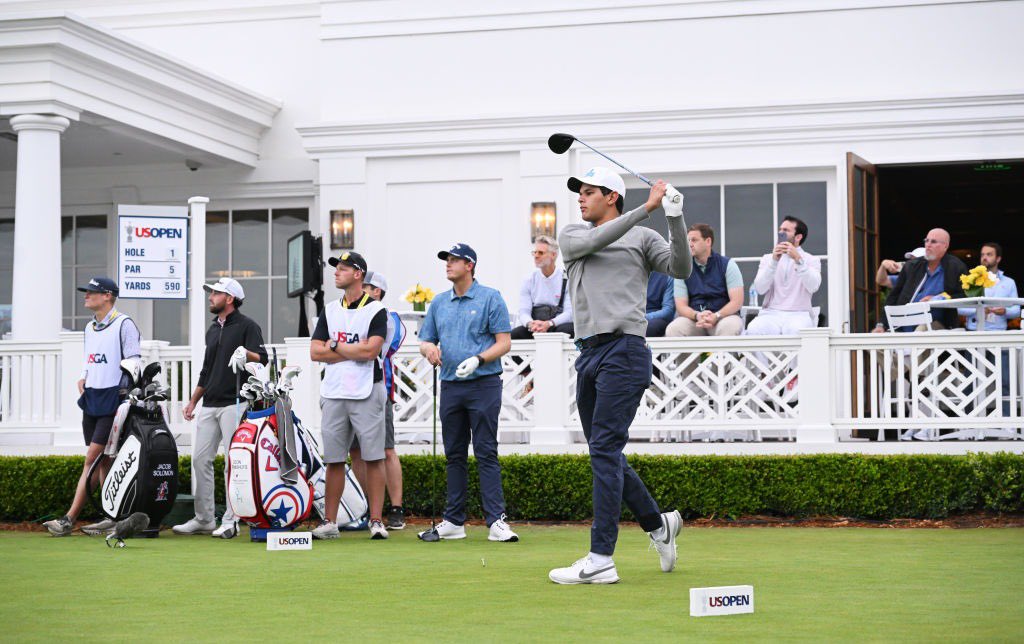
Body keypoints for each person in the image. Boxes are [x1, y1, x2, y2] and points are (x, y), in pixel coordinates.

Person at [547, 166, 690, 585]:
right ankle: (658, 525)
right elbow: (598, 239)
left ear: (611, 196)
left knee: (605, 450)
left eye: (589, 192)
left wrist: (674, 217)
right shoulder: (573, 234)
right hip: (588, 353)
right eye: (580, 193)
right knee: (604, 453)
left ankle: (601, 558)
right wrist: (647, 207)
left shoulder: (644, 237)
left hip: (626, 350)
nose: (580, 198)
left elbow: (681, 269)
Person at [417, 243, 518, 543]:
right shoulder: (438, 303)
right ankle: (453, 521)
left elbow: (504, 342)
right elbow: (425, 340)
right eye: (446, 260)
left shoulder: (490, 297)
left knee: (486, 450)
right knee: (454, 454)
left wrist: (479, 358)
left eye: (454, 260)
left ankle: (496, 521)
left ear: (469, 265)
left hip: (483, 384)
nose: (448, 264)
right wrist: (429, 350)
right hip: (450, 385)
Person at [43, 277, 141, 537]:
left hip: (112, 401)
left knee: (92, 459)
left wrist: (123, 395)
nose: (86, 296)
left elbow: (133, 363)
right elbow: (90, 358)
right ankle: (112, 516)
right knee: (103, 462)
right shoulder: (89, 327)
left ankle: (68, 519)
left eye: (92, 292)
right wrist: (84, 375)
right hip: (92, 399)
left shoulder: (124, 324)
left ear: (107, 296)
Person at [173, 277, 267, 539]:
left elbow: (263, 358)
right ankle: (204, 518)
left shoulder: (248, 326)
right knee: (200, 459)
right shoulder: (213, 329)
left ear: (230, 299)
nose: (211, 297)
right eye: (211, 293)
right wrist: (193, 400)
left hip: (235, 402)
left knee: (233, 463)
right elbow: (207, 369)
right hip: (210, 403)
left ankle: (231, 519)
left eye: (216, 293)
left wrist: (245, 354)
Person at [309, 252, 390, 540]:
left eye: (343, 268)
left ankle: (377, 520)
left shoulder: (376, 310)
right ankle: (330, 522)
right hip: (334, 391)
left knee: (373, 457)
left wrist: (335, 346)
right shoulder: (330, 309)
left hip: (367, 389)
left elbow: (371, 352)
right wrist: (347, 350)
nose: (336, 273)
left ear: (358, 274)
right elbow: (314, 351)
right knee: (333, 459)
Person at [348, 270, 407, 530]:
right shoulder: (348, 314)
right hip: (348, 390)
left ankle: (396, 508)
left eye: (368, 287)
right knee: (356, 452)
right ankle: (366, 508)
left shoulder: (389, 317)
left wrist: (352, 347)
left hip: (377, 388)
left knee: (385, 449)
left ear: (377, 292)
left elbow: (378, 350)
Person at [957, 243, 1019, 418]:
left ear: (998, 258)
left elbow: (1017, 309)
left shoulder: (1008, 283)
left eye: (989, 254)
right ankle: (969, 422)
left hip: (999, 335)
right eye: (983, 254)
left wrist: (1004, 311)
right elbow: (960, 309)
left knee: (1005, 381)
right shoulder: (971, 280)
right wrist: (978, 309)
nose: (985, 257)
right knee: (970, 380)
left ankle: (1008, 424)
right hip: (975, 334)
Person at [873, 228, 967, 332]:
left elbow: (963, 296)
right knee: (875, 343)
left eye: (933, 241)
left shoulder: (956, 267)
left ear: (946, 246)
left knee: (921, 331)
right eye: (926, 241)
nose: (928, 244)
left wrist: (937, 298)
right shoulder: (912, 266)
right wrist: (881, 325)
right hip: (902, 325)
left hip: (936, 326)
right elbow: (893, 296)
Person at [745, 216, 822, 336]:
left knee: (796, 330)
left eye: (786, 230)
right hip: (770, 313)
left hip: (799, 313)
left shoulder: (811, 260)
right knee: (754, 329)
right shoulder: (767, 258)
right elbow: (760, 289)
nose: (780, 232)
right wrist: (774, 261)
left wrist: (798, 260)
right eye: (780, 229)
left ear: (798, 237)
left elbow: (813, 286)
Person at [665, 223, 744, 337]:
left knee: (730, 327)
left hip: (724, 318)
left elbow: (737, 301)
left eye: (694, 240)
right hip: (695, 320)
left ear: (708, 241)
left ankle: (721, 356)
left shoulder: (728, 265)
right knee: (674, 329)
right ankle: (691, 356)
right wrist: (697, 315)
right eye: (688, 241)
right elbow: (681, 305)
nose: (690, 244)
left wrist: (716, 316)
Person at [511, 236, 574, 339]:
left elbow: (569, 313)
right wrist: (530, 324)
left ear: (553, 255)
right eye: (534, 252)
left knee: (569, 330)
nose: (536, 256)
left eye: (540, 253)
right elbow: (523, 311)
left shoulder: (566, 279)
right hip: (535, 326)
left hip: (557, 325)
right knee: (514, 335)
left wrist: (549, 323)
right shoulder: (529, 279)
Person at [644, 271, 675, 337]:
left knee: (648, 327)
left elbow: (668, 311)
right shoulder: (629, 275)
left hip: (655, 318)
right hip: (631, 315)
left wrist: (645, 317)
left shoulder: (668, 276)